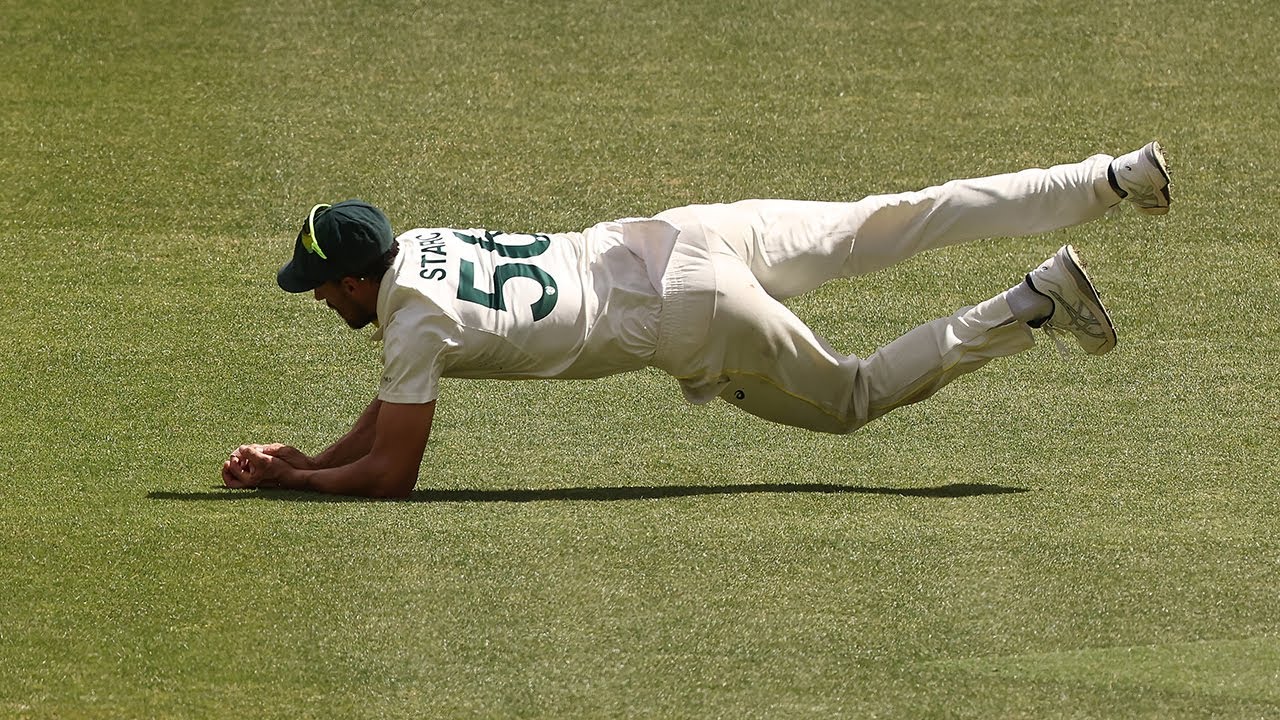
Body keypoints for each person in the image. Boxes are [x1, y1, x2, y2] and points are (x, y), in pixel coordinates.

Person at [223, 142, 1171, 498]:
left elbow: (392, 470)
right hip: (680, 235)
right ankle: (1109, 177)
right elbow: (386, 412)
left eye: (321, 282)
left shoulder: (413, 322)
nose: (316, 296)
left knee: (848, 401)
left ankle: (1034, 301)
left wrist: (291, 487)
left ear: (357, 278)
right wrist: (307, 456)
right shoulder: (416, 251)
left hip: (689, 311)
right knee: (898, 215)